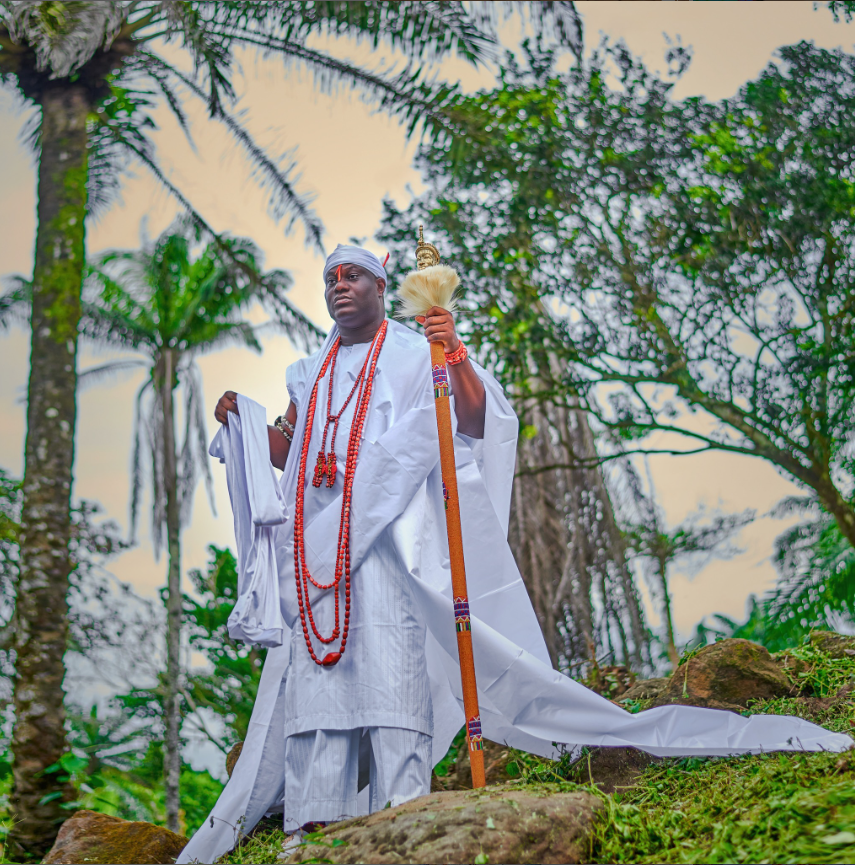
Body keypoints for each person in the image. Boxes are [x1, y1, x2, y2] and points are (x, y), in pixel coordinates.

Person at [177, 245, 851, 865]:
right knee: (320, 691)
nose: (337, 286)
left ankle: (400, 809)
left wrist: (457, 355)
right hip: (318, 554)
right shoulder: (308, 372)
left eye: (350, 275)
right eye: (329, 278)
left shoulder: (418, 353)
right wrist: (243, 425)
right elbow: (291, 452)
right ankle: (311, 824)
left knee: (389, 676)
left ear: (383, 286)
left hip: (391, 549)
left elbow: (474, 421)